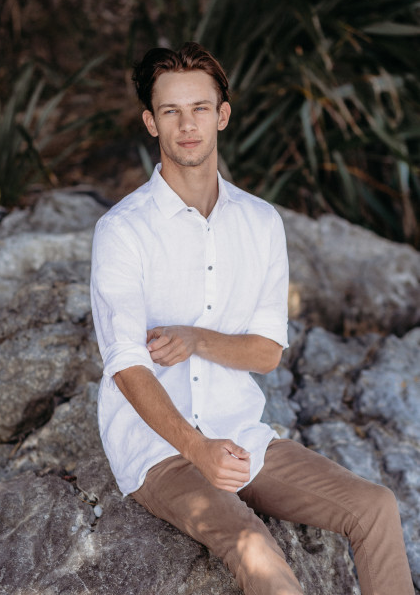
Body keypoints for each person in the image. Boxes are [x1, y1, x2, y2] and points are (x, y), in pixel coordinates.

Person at [90, 42, 414, 595]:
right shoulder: (123, 230)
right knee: (253, 545)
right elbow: (126, 364)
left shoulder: (261, 223)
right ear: (150, 122)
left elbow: (266, 352)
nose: (187, 125)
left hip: (242, 435)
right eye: (170, 111)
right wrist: (197, 449)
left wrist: (196, 339)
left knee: (375, 506)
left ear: (222, 114)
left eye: (199, 108)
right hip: (160, 451)